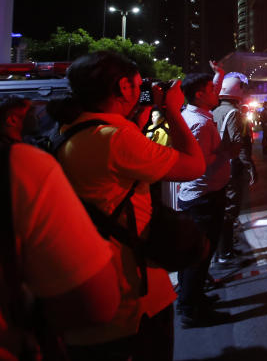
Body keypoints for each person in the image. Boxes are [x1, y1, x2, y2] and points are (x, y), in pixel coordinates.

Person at [49, 51, 206, 360]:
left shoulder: (69, 131)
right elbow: (194, 165)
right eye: (137, 84)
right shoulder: (116, 138)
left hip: (86, 290)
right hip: (129, 300)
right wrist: (172, 110)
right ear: (123, 88)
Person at [1, 95, 120, 360]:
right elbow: (97, 304)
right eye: (29, 111)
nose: (39, 115)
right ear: (11, 119)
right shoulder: (20, 163)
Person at [176, 72, 239, 328]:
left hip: (202, 195)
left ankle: (193, 297)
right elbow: (198, 164)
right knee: (199, 256)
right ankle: (191, 310)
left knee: (196, 255)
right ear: (200, 95)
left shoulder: (197, 115)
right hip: (203, 198)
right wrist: (224, 153)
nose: (217, 92)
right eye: (211, 89)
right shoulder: (199, 123)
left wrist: (218, 73)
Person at [213, 74, 256, 265]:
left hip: (215, 167)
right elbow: (238, 144)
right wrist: (250, 167)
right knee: (230, 208)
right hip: (230, 168)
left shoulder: (214, 111)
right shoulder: (234, 113)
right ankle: (225, 252)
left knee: (223, 207)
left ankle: (224, 248)